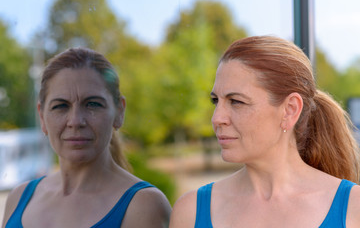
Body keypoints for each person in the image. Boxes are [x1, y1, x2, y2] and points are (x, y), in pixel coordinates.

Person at [170, 36, 360, 228]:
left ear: (290, 109)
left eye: (236, 101)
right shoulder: (190, 212)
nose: (217, 118)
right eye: (215, 101)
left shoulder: (354, 208)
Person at [2, 47, 171, 228]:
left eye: (92, 104)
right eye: (60, 106)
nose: (75, 121)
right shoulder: (18, 198)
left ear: (119, 112)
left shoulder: (143, 205)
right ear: (42, 117)